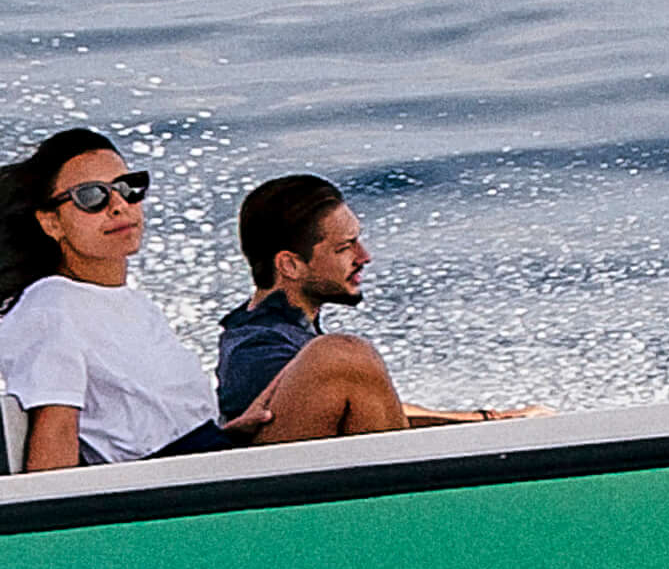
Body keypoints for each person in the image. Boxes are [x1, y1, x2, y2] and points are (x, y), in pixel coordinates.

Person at [0, 129, 225, 469]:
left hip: (209, 457)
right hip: (172, 485)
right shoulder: (51, 309)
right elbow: (56, 434)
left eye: (128, 188)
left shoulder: (129, 302)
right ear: (51, 223)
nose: (119, 206)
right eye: (92, 197)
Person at [215, 173, 531, 444]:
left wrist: (490, 420)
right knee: (343, 353)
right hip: (281, 502)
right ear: (291, 265)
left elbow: (369, 401)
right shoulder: (256, 347)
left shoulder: (285, 330)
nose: (364, 257)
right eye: (344, 248)